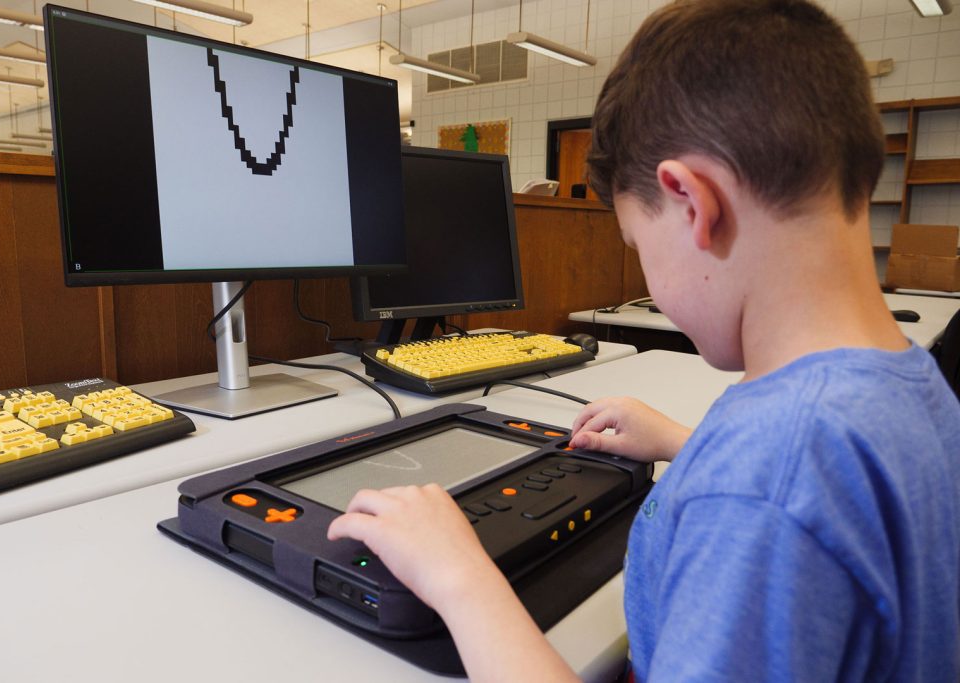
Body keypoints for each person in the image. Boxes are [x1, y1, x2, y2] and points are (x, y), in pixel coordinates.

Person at [328, 0, 960, 679]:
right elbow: (833, 502)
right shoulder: (915, 386)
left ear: (694, 204)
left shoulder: (762, 489)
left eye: (639, 245)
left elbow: (777, 497)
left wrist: (458, 575)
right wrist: (694, 445)